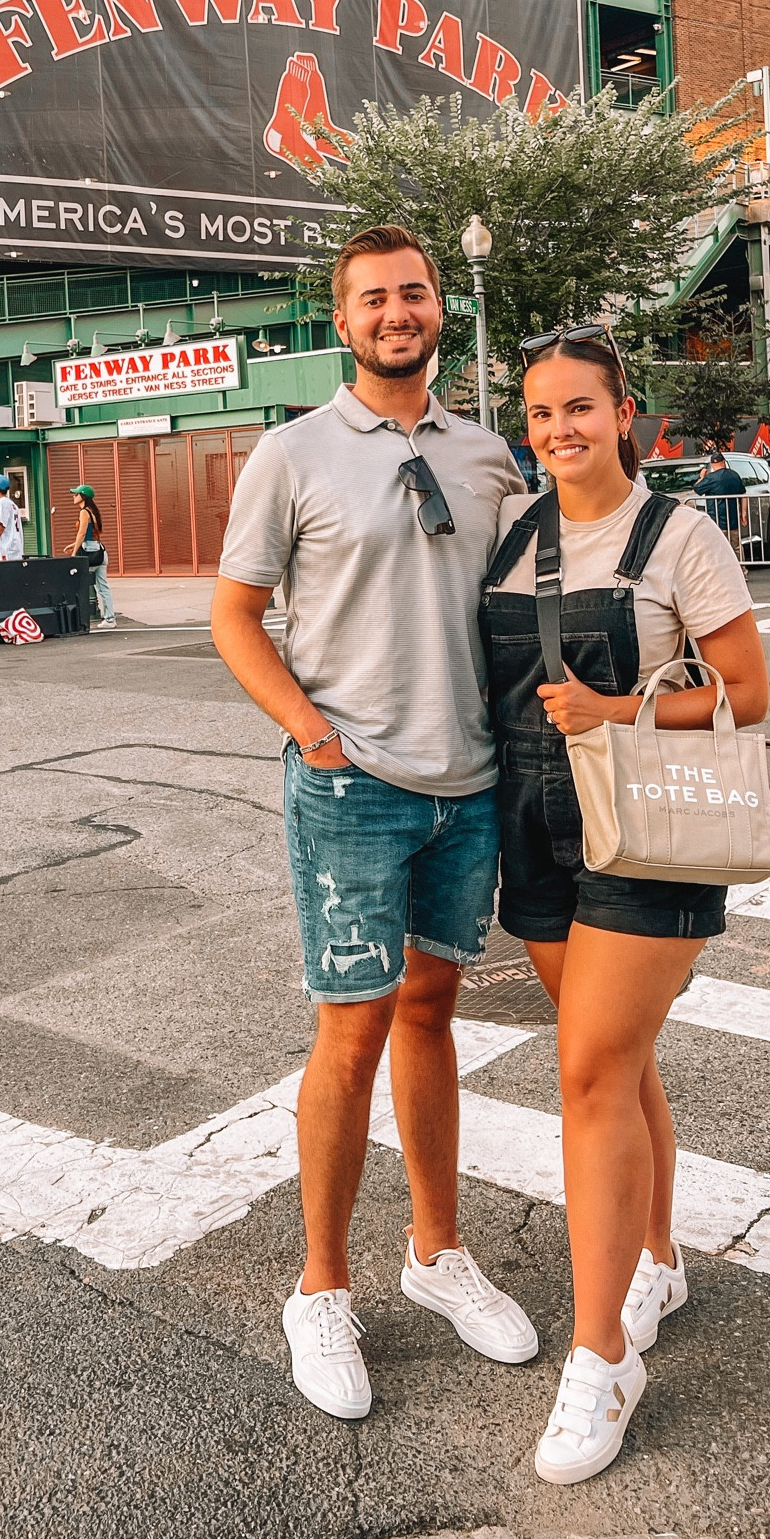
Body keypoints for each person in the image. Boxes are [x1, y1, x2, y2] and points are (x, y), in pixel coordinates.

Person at [212, 223, 537, 1424]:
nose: (397, 311)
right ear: (340, 320)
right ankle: (322, 1283)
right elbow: (235, 613)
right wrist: (310, 729)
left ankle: (436, 1249)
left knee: (434, 1014)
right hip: (352, 785)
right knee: (348, 1029)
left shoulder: (489, 454)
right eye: (373, 298)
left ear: (438, 307)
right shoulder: (291, 454)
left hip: (469, 783)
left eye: (414, 292)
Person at [482, 325, 768, 1484]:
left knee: (592, 1067)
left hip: (650, 833)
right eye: (541, 413)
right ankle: (658, 1252)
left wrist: (612, 707)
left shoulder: (681, 535)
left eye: (580, 408)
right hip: (538, 829)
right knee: (621, 1061)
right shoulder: (514, 537)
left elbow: (747, 689)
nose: (559, 430)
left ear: (624, 410)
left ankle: (599, 1356)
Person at [68, 485, 116, 630]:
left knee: (79, 583)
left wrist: (74, 552)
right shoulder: (93, 511)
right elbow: (91, 535)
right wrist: (72, 545)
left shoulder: (84, 512)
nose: (73, 496)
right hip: (100, 551)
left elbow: (82, 533)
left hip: (89, 552)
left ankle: (80, 617)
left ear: (83, 496)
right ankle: (110, 618)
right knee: (103, 587)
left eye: (76, 494)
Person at [695, 446, 746, 549]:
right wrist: (743, 513)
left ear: (713, 465)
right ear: (724, 462)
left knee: (720, 548)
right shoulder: (734, 475)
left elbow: (696, 489)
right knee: (736, 547)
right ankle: (740, 565)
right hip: (733, 520)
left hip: (717, 521)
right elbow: (743, 494)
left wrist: (701, 477)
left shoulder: (711, 478)